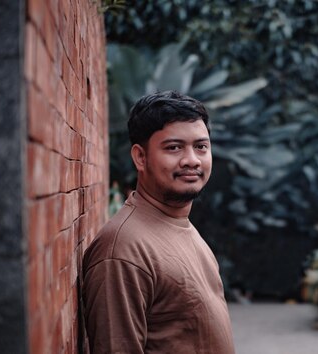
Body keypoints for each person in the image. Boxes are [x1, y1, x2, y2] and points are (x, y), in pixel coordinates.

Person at [82, 91, 235, 354]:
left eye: (201, 146)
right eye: (174, 147)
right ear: (140, 157)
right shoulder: (123, 249)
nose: (192, 160)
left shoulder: (179, 222)